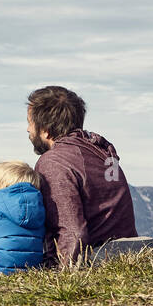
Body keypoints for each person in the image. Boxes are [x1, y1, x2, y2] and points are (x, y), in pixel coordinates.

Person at [26, 86, 137, 267]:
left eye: (30, 122)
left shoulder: (54, 161)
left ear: (45, 129)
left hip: (96, 262)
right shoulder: (102, 153)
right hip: (126, 255)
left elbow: (72, 232)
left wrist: (61, 274)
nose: (28, 130)